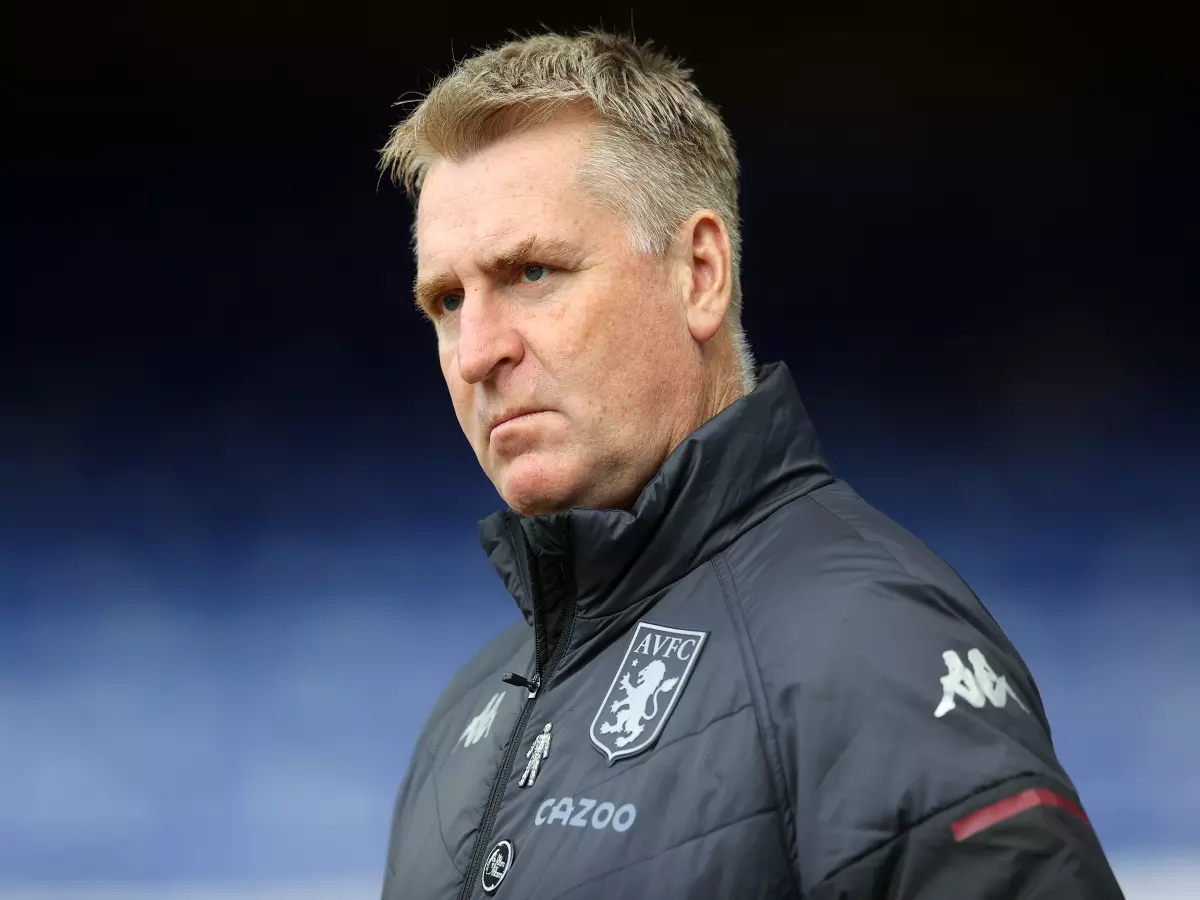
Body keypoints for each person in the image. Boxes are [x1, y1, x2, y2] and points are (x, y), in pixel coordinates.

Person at [377, 29, 1125, 900]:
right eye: (447, 300)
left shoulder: (871, 650)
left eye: (533, 271)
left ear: (699, 273)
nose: (476, 353)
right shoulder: (466, 718)